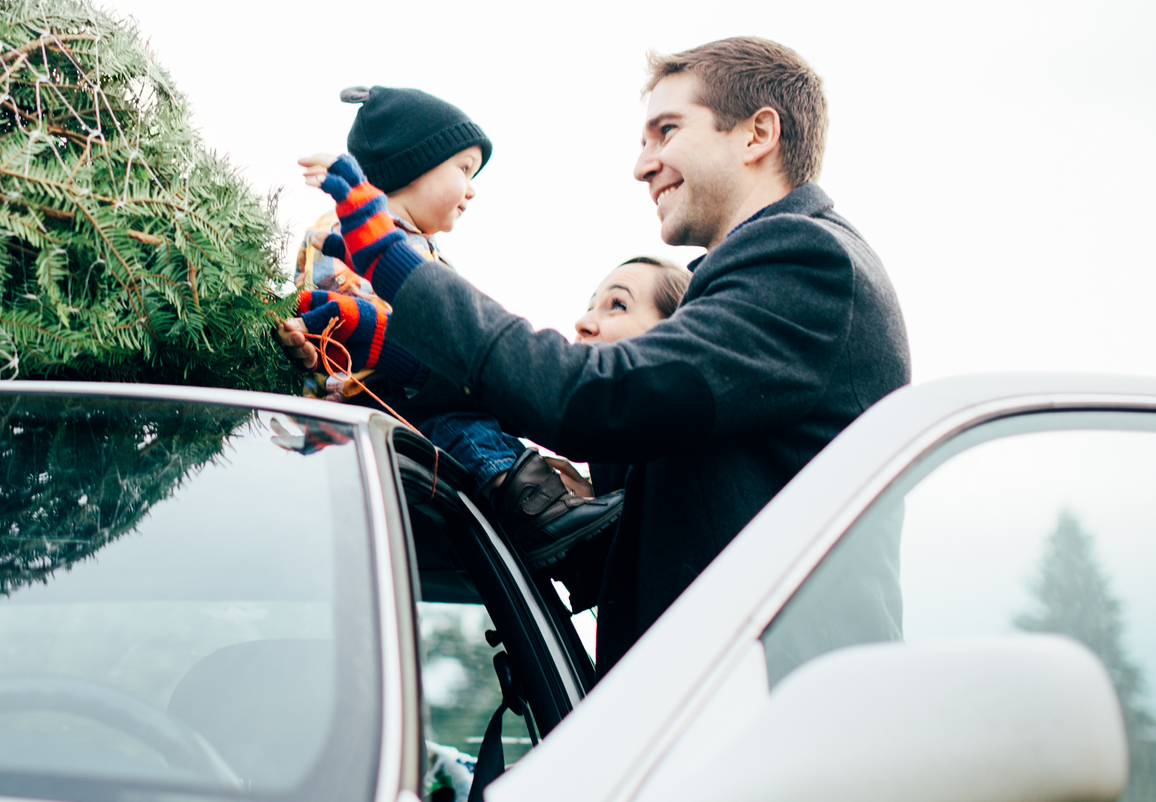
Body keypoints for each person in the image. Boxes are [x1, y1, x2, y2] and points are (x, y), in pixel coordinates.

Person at [303, 38, 910, 675]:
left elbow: (593, 397)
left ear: (758, 133)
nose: (643, 164)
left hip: (774, 727)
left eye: (666, 131)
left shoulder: (805, 258)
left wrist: (392, 262)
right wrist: (395, 355)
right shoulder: (748, 281)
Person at [288, 86, 614, 572]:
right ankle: (531, 507)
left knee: (482, 424)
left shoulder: (423, 247)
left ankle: (548, 510)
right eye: (463, 169)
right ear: (410, 166)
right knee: (461, 426)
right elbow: (355, 317)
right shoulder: (344, 231)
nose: (473, 187)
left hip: (413, 393)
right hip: (369, 397)